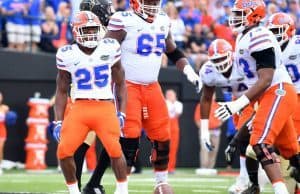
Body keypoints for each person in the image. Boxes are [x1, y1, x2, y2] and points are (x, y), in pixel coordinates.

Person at [94, 0, 199, 190]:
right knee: (130, 137)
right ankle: (121, 187)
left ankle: (161, 181)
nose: (152, 5)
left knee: (162, 136)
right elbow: (103, 51)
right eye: (148, 2)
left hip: (152, 86)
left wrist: (188, 71)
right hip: (128, 86)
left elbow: (173, 51)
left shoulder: (163, 20)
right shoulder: (123, 20)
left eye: (155, 2)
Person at [215, 1, 300, 193]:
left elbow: (266, 78)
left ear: (254, 16)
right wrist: (236, 139)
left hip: (278, 90)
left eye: (240, 14)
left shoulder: (259, 35)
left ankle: (280, 191)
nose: (234, 18)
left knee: (260, 142)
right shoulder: (244, 37)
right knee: (292, 154)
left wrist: (237, 104)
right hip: (269, 94)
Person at [53, 10, 128, 194]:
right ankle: (73, 191)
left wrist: (122, 112)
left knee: (115, 149)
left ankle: (122, 189)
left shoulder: (110, 47)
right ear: (76, 32)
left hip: (104, 106)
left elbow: (121, 83)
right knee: (64, 151)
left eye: (93, 29)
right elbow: (61, 91)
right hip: (80, 107)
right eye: (86, 30)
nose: (90, 34)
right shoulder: (67, 54)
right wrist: (58, 121)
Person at [197, 39, 252, 190]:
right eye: (216, 60)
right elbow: (206, 98)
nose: (220, 63)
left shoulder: (243, 62)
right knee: (243, 141)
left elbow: (262, 83)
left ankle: (245, 180)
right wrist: (204, 130)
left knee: (245, 139)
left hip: (254, 98)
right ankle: (247, 179)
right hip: (235, 102)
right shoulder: (208, 70)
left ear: (231, 55)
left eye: (222, 58)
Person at [194, 93, 221, 175]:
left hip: (215, 130)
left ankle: (210, 168)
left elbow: (222, 118)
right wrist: (203, 129)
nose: (212, 96)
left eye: (213, 95)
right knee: (205, 148)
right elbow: (197, 118)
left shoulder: (217, 106)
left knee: (214, 149)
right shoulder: (201, 105)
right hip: (205, 130)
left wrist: (218, 124)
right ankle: (204, 167)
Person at [165, 89, 183, 174]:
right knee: (163, 148)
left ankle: (171, 168)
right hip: (165, 126)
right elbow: (165, 113)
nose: (170, 96)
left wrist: (173, 103)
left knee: (173, 148)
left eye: (171, 95)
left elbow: (177, 113)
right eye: (168, 94)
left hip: (174, 127)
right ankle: (161, 167)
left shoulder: (178, 104)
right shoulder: (164, 102)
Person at [0, 92, 9, 175]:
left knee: (0, 148)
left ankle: (0, 166)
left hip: (1, 130)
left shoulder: (5, 108)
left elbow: (10, 120)